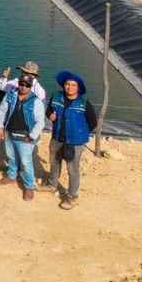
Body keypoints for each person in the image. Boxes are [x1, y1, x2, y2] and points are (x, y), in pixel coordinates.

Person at [41, 71, 98, 210]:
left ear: (78, 88)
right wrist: (50, 116)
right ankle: (51, 184)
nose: (70, 87)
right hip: (57, 138)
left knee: (72, 170)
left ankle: (72, 196)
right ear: (63, 85)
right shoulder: (56, 97)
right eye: (67, 84)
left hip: (75, 143)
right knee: (54, 163)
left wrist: (80, 134)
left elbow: (92, 122)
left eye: (73, 85)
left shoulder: (84, 103)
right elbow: (49, 110)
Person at [0, 74, 46, 201]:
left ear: (31, 86)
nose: (23, 87)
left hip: (25, 136)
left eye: (27, 85)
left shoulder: (36, 101)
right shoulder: (11, 95)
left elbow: (40, 122)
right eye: (21, 84)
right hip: (10, 132)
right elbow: (2, 110)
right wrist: (0, 126)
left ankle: (29, 186)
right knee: (12, 156)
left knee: (26, 162)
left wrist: (31, 136)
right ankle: (11, 176)